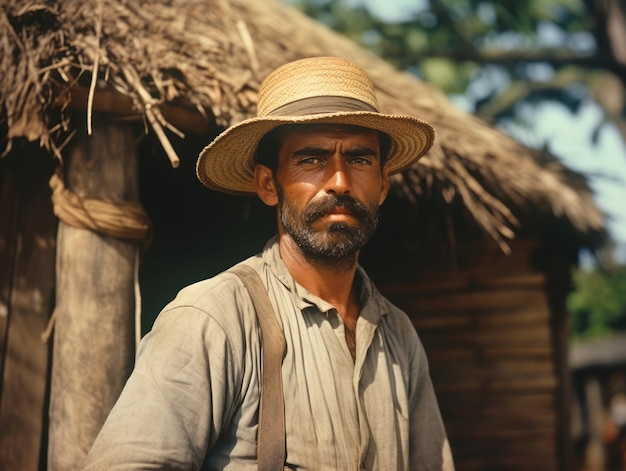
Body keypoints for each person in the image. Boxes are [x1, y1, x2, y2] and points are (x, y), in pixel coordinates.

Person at [84, 56, 454, 470]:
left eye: (360, 159)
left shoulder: (398, 335)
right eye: (311, 160)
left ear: (383, 184)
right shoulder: (212, 318)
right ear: (267, 184)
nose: (339, 181)